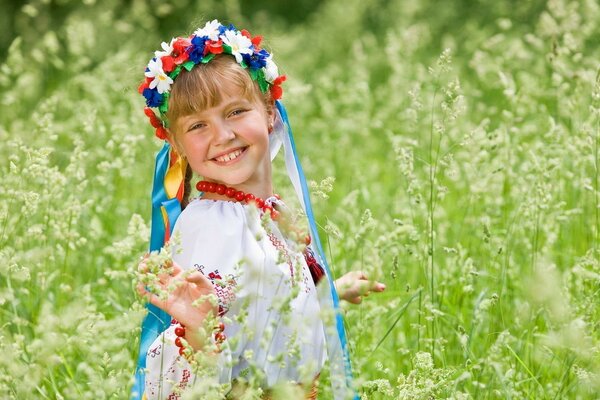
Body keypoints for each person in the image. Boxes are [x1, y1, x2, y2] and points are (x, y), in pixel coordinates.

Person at [132, 20, 385, 400]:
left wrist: (328, 294)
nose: (222, 135)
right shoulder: (210, 224)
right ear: (178, 145)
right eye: (199, 125)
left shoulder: (269, 213)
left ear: (269, 111)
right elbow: (204, 368)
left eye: (235, 112)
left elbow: (264, 311)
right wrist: (200, 331)